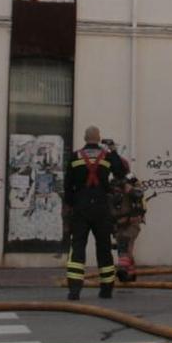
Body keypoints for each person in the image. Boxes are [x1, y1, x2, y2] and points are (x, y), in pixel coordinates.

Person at [64, 126, 119, 300]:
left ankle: (74, 289)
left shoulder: (75, 157)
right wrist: (113, 150)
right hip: (101, 207)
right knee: (103, 247)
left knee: (78, 246)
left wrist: (72, 205)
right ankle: (107, 289)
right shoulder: (107, 157)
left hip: (81, 207)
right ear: (99, 138)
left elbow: (67, 186)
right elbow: (121, 171)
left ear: (85, 138)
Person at [110, 170, 148, 283]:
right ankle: (131, 274)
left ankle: (123, 270)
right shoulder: (112, 183)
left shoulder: (131, 180)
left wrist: (129, 188)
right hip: (119, 222)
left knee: (124, 244)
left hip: (132, 221)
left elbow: (139, 193)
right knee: (126, 250)